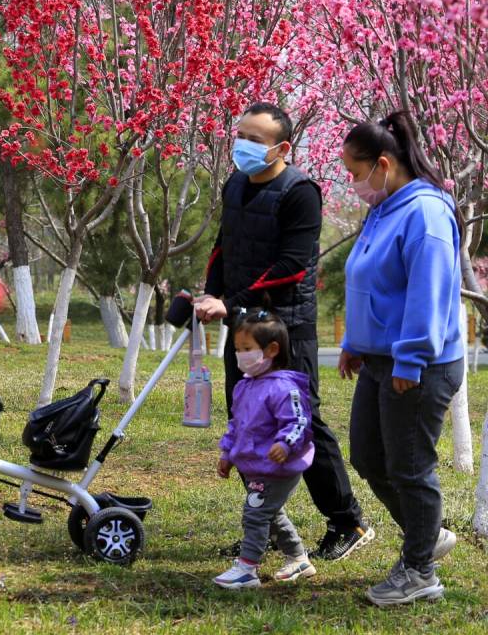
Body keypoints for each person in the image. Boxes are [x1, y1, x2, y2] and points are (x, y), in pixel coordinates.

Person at [196, 102, 371, 560]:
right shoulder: (234, 183)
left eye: (255, 140)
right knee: (249, 418)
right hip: (242, 328)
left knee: (301, 421)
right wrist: (210, 295)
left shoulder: (300, 192)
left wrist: (230, 303)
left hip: (286, 327)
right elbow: (223, 247)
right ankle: (266, 523)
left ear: (282, 147)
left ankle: (347, 520)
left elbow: (291, 267)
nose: (243, 146)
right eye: (241, 135)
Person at [338, 111, 463, 607]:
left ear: (384, 164)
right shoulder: (384, 207)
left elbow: (425, 296)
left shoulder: (426, 214)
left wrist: (409, 362)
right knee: (368, 455)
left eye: (355, 172)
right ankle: (425, 534)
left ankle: (420, 570)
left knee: (411, 466)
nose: (353, 183)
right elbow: (369, 279)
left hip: (418, 365)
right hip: (378, 358)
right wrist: (355, 340)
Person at [214, 310, 317, 589]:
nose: (240, 355)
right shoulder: (245, 386)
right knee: (271, 513)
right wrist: (228, 453)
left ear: (272, 350)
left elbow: (298, 421)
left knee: (256, 513)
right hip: (255, 466)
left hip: (279, 467)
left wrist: (285, 444)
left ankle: (247, 568)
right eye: (237, 349)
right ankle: (299, 559)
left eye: (247, 349)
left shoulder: (284, 388)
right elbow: (237, 424)